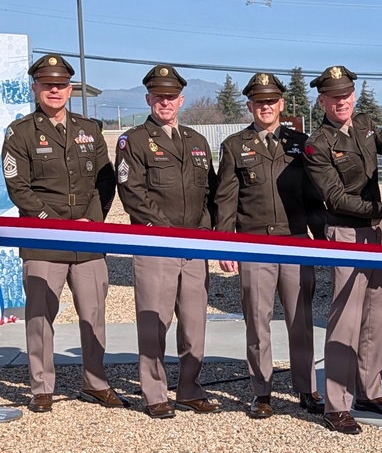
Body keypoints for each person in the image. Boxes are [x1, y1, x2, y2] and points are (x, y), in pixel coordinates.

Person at [2, 53, 124, 413]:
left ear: (70, 89)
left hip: (86, 236)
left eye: (60, 85)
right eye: (47, 85)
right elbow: (18, 186)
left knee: (94, 314)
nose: (54, 91)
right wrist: (51, 220)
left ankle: (96, 382)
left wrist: (92, 220)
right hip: (43, 238)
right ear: (35, 88)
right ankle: (42, 387)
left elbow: (105, 179)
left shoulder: (90, 129)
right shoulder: (20, 132)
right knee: (40, 317)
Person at [304, 65, 382, 435]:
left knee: (377, 316)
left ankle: (371, 391)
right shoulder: (317, 144)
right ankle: (336, 405)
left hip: (375, 233)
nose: (343, 102)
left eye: (347, 95)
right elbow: (335, 198)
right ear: (322, 100)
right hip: (347, 233)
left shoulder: (364, 123)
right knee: (346, 320)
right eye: (335, 97)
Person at [214, 73, 324, 419]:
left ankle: (306, 389)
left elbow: (313, 196)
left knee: (301, 320)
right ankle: (261, 391)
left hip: (294, 242)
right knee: (257, 321)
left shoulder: (301, 143)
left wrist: (320, 240)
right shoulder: (234, 145)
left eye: (271, 101)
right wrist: (225, 244)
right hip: (254, 242)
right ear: (250, 106)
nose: (265, 107)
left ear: (281, 105)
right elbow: (225, 199)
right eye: (259, 102)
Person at [116, 64, 221, 419]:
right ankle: (155, 392)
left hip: (193, 246)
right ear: (148, 99)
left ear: (182, 100)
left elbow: (209, 191)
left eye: (171, 96)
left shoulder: (197, 141)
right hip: (155, 244)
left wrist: (204, 231)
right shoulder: (134, 140)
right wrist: (164, 231)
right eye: (159, 96)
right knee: (154, 324)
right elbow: (132, 193)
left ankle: (190, 388)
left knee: (194, 324)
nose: (165, 102)